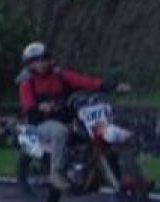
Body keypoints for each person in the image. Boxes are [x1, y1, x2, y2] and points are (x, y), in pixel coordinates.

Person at [17, 41, 128, 190]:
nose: (41, 63)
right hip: (41, 124)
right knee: (59, 131)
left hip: (67, 119)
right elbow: (27, 105)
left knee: (96, 130)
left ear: (49, 59)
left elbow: (85, 82)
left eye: (43, 59)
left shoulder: (60, 75)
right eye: (36, 61)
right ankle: (56, 173)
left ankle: (123, 176)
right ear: (29, 64)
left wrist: (112, 86)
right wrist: (39, 107)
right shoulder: (27, 83)